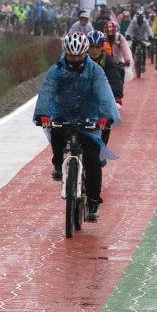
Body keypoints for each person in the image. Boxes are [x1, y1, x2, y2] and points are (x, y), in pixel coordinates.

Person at [33, 32, 120, 222]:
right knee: (56, 132)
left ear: (85, 53)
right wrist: (43, 115)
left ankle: (94, 201)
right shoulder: (56, 71)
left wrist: (105, 117)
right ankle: (58, 163)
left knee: (93, 160)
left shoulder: (95, 71)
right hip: (63, 114)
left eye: (79, 55)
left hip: (89, 116)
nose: (74, 59)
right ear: (66, 53)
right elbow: (47, 91)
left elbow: (104, 94)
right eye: (71, 56)